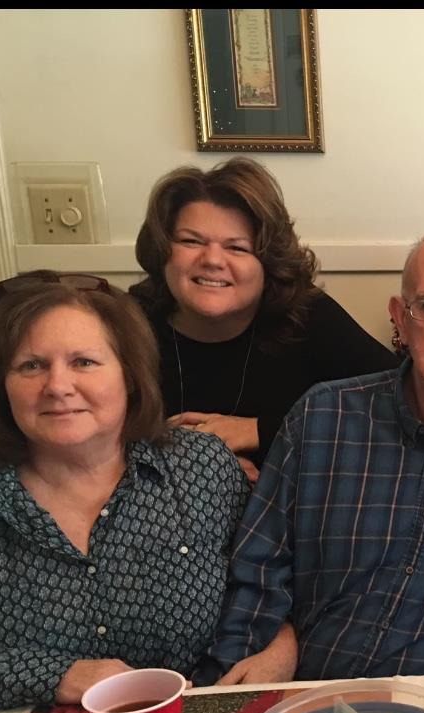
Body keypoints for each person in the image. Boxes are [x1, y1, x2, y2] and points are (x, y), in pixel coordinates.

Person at [195, 223, 424, 684]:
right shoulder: (322, 417)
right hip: (313, 691)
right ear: (401, 319)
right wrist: (240, 679)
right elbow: (258, 570)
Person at [0, 273, 248, 713]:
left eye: (84, 362)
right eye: (31, 365)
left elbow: (264, 578)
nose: (58, 386)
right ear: (1, 386)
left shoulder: (200, 466)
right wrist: (55, 675)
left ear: (129, 375)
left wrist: (280, 642)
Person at [130, 157, 397, 479]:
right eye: (191, 241)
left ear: (268, 262)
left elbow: (395, 398)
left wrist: (261, 430)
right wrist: (204, 467)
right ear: (162, 251)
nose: (213, 260)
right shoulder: (130, 323)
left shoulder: (307, 314)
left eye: (238, 248)